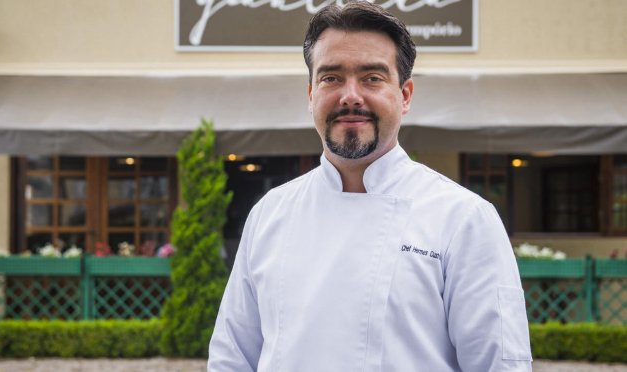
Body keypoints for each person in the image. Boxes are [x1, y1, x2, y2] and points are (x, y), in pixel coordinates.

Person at [208, 2, 532, 371]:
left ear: (405, 95)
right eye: (331, 77)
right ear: (310, 94)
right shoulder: (270, 213)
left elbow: (499, 366)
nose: (350, 95)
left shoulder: (464, 219)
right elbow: (231, 357)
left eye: (372, 78)